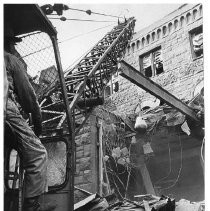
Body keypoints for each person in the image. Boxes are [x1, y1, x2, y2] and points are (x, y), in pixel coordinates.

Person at [4, 25, 54, 211]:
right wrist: (38, 126)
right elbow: (29, 100)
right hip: (5, 108)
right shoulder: (10, 59)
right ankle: (31, 206)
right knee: (38, 154)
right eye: (13, 44)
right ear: (9, 43)